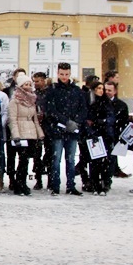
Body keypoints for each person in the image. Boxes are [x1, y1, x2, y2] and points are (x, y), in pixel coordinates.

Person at [42, 63, 87, 196]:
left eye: (66, 74)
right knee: (56, 159)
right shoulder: (52, 90)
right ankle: (55, 186)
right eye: (62, 74)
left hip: (72, 131)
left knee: (71, 159)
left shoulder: (76, 90)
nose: (64, 77)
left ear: (70, 74)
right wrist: (65, 121)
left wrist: (76, 122)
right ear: (58, 73)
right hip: (57, 130)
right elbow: (50, 110)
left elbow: (83, 108)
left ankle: (71, 186)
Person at [7, 74, 42, 196]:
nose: (27, 86)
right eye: (25, 84)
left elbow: (35, 119)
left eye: (29, 84)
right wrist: (15, 135)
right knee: (22, 160)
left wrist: (40, 134)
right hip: (21, 132)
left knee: (26, 160)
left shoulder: (32, 100)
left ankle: (23, 182)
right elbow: (12, 119)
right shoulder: (15, 101)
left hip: (31, 132)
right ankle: (19, 183)